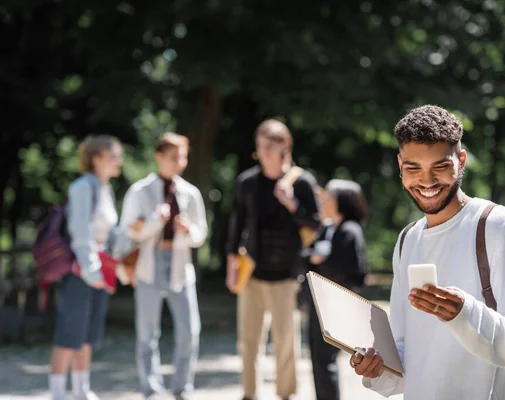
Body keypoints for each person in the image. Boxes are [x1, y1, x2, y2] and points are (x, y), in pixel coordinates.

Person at [349, 105, 505, 399]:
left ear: (460, 160)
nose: (426, 181)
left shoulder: (499, 226)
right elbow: (406, 352)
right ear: (400, 165)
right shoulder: (407, 240)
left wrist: (464, 312)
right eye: (413, 168)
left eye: (440, 167)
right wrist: (378, 368)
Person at [225, 119, 321, 400]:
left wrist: (292, 203)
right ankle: (249, 393)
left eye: (270, 146)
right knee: (248, 342)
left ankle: (285, 394)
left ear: (284, 148)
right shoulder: (247, 183)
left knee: (286, 343)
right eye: (260, 146)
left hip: (287, 275)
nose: (264, 152)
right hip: (252, 272)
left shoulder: (302, 182)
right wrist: (232, 265)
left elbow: (316, 223)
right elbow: (236, 226)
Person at [114, 133, 208, 400]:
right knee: (147, 332)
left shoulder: (190, 193)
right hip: (148, 265)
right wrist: (156, 220)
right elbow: (129, 232)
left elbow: (201, 235)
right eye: (173, 157)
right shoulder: (140, 191)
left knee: (190, 330)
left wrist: (187, 230)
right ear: (159, 157)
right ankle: (151, 389)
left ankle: (182, 388)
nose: (179, 162)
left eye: (183, 156)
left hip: (180, 265)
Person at [49, 135, 122, 400]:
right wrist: (91, 271)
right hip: (80, 270)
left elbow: (110, 233)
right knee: (70, 332)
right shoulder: (82, 187)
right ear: (96, 158)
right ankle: (57, 393)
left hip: (99, 270)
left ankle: (81, 390)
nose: (119, 162)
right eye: (113, 156)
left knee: (88, 334)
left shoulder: (105, 188)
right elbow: (80, 233)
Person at [305, 179, 368, 400]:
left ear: (342, 200)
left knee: (326, 359)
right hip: (319, 302)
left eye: (329, 195)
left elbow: (356, 270)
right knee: (317, 359)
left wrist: (322, 260)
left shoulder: (351, 231)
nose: (324, 199)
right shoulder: (328, 228)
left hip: (336, 303)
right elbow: (307, 258)